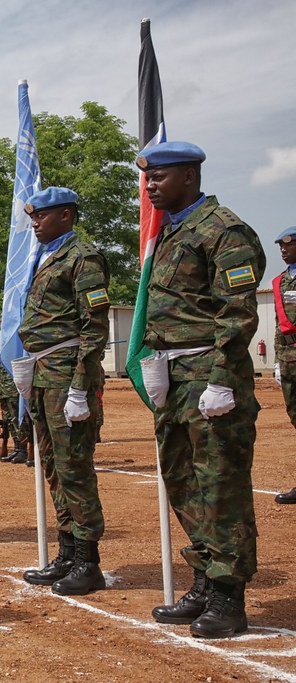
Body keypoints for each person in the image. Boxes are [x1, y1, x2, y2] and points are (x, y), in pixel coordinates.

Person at [138, 141, 265, 638]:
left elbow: (238, 314)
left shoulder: (224, 230)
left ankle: (229, 596)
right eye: (148, 179)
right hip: (175, 377)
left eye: (159, 177)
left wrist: (220, 378)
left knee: (220, 487)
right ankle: (206, 580)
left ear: (189, 176)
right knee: (182, 480)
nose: (150, 186)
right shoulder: (171, 232)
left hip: (211, 376)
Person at [17, 187, 110, 596]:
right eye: (33, 217)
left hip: (66, 373)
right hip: (43, 373)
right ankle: (68, 552)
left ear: (67, 216)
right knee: (54, 467)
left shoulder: (82, 257)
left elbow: (95, 327)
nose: (35, 223)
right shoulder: (46, 257)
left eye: (42, 216)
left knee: (74, 467)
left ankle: (88, 561)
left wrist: (80, 387)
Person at [271, 226, 296, 503]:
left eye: (288, 244)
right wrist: (278, 361)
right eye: (280, 245)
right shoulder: (280, 281)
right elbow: (280, 325)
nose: (283, 249)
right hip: (289, 359)